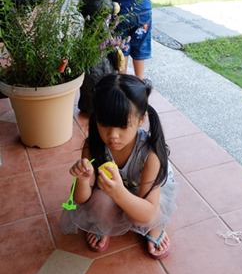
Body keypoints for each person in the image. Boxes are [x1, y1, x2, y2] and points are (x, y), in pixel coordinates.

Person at [60, 74, 176, 258]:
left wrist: (119, 193)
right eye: (105, 124)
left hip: (144, 193)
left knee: (142, 217)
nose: (113, 135)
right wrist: (82, 180)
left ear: (141, 119)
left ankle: (155, 228)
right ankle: (104, 224)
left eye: (123, 126)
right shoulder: (93, 146)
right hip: (111, 189)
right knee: (99, 204)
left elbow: (148, 211)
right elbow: (81, 199)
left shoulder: (150, 155)